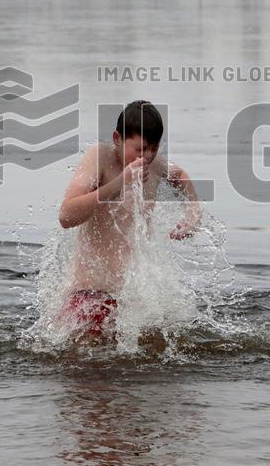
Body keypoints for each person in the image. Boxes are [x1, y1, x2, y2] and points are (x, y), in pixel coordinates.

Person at [57, 100, 202, 336]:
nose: (147, 157)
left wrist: (193, 215)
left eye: (154, 149)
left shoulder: (154, 165)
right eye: (140, 149)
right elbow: (66, 216)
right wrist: (121, 182)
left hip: (130, 301)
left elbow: (180, 176)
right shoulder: (100, 157)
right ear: (117, 139)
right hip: (89, 295)